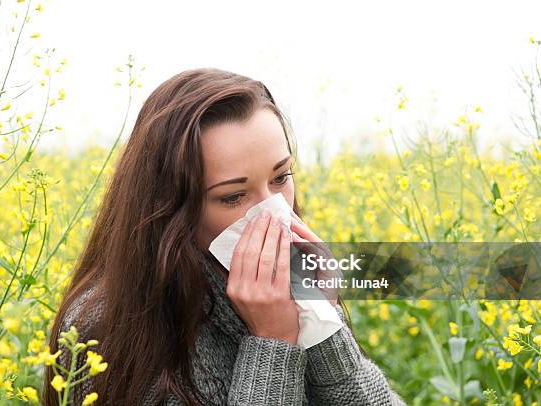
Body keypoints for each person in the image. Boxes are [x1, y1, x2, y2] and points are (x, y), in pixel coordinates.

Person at [42, 67, 407, 405]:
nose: (273, 212)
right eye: (233, 196)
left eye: (281, 178)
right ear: (172, 208)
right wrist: (272, 343)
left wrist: (320, 327)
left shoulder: (294, 281)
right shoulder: (106, 329)